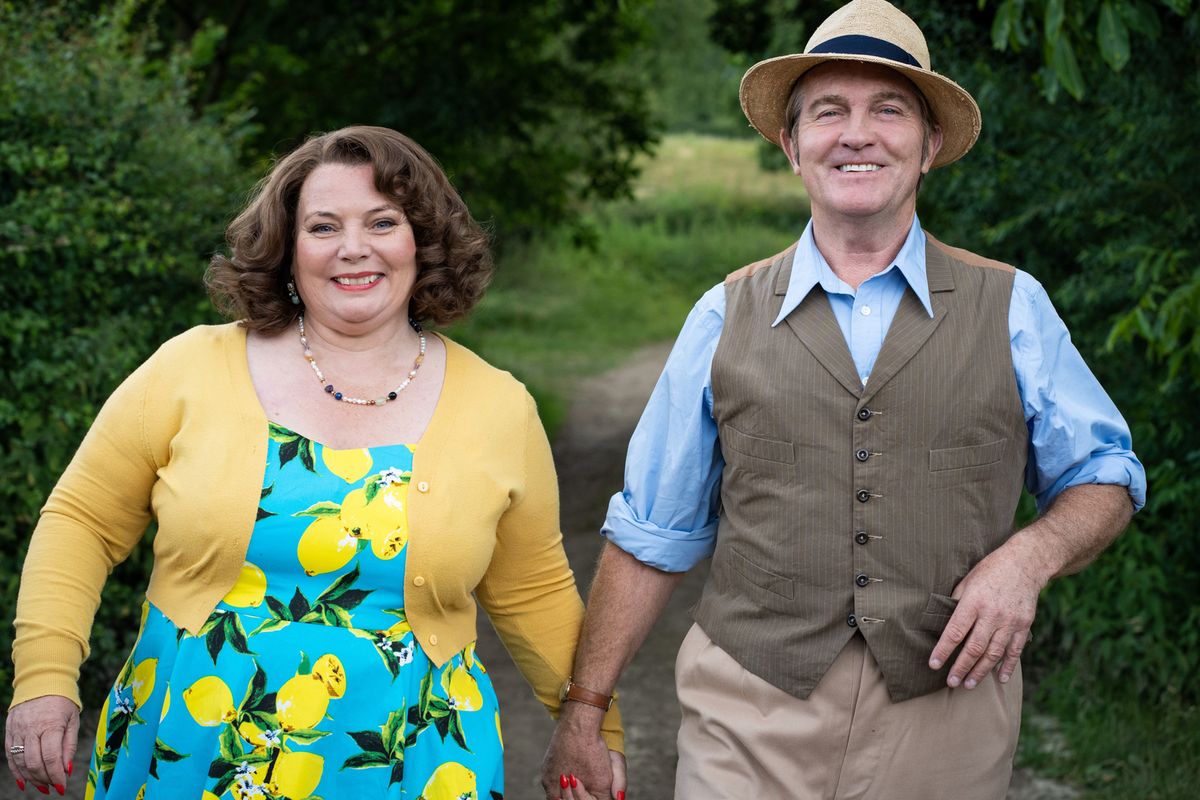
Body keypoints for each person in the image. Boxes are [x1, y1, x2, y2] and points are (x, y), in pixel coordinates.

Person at [541, 2, 1145, 799]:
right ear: (793, 146)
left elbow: (1107, 470)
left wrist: (1028, 558)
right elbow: (652, 529)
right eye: (830, 111)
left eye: (888, 109)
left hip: (948, 715)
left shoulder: (1013, 306)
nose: (857, 133)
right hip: (748, 714)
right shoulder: (724, 314)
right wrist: (584, 709)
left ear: (929, 146)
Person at [6, 125, 624, 799]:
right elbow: (81, 522)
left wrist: (593, 734)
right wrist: (43, 678)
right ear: (288, 248)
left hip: (415, 763)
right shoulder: (189, 368)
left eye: (382, 222)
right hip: (188, 751)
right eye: (323, 226)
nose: (353, 248)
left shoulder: (500, 408)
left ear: (423, 240)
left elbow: (535, 593)